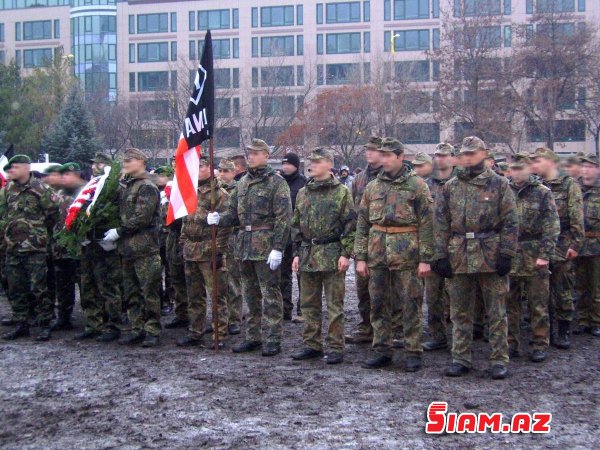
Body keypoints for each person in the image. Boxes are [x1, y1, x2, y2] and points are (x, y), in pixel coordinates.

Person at [433, 136, 518, 380]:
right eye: (465, 154)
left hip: (490, 253)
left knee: (496, 311)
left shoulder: (499, 184)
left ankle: (499, 359)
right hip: (459, 253)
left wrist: (507, 253)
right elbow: (440, 224)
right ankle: (461, 358)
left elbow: (511, 222)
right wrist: (440, 255)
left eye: (473, 153)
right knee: (460, 311)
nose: (468, 158)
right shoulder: (450, 186)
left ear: (484, 154)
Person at [354, 138, 433, 372]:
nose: (384, 159)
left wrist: (425, 258)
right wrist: (360, 256)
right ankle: (382, 348)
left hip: (407, 252)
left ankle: (412, 350)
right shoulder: (373, 187)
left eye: (389, 155)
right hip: (377, 251)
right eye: (383, 155)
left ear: (401, 157)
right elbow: (362, 222)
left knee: (410, 302)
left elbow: (428, 224)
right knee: (378, 302)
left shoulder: (417, 185)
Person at [207, 139, 292, 357]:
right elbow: (234, 214)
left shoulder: (276, 182)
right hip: (244, 246)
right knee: (250, 294)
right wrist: (219, 218)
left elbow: (284, 218)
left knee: (270, 294)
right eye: (250, 153)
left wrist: (278, 247)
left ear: (266, 155)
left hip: (265, 245)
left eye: (256, 153)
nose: (251, 157)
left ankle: (273, 337)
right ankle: (253, 336)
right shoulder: (242, 183)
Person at [290, 147, 356, 365]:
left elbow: (350, 224)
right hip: (308, 254)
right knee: (309, 304)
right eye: (311, 161)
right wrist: (297, 253)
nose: (312, 165)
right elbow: (296, 224)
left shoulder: (341, 192)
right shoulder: (303, 192)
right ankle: (312, 344)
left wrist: (346, 253)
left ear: (329, 164)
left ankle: (336, 346)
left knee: (334, 305)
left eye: (317, 162)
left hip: (332, 253)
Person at [102, 148, 162, 347]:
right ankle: (136, 328)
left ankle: (152, 329)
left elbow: (142, 217)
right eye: (124, 160)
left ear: (142, 162)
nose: (125, 163)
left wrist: (119, 231)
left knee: (149, 291)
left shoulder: (146, 186)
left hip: (145, 248)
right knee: (131, 292)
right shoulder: (126, 187)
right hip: (127, 249)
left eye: (130, 160)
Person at [506, 153, 559, 362]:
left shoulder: (542, 193)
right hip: (511, 253)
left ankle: (539, 343)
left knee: (538, 302)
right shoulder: (504, 191)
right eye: (513, 168)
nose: (516, 173)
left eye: (521, 168)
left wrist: (545, 255)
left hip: (534, 252)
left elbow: (552, 226)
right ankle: (511, 343)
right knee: (509, 302)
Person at [0, 155, 59, 341]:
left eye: (15, 167)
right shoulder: (8, 189)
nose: (11, 171)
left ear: (26, 168)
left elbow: (52, 215)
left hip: (35, 247)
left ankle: (44, 323)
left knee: (38, 287)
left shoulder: (40, 189)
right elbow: (3, 213)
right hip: (13, 246)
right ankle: (21, 322)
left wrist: (37, 232)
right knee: (15, 286)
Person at [530, 147, 584, 349]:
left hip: (562, 246)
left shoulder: (569, 185)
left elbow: (577, 218)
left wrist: (576, 244)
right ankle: (545, 332)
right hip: (540, 246)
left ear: (550, 162)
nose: (534, 164)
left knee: (563, 290)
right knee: (541, 293)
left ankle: (563, 331)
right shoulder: (537, 185)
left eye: (538, 160)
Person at [177, 156, 230, 347]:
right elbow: (186, 219)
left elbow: (225, 225)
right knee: (194, 295)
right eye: (196, 166)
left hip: (209, 249)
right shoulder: (190, 190)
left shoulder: (219, 194)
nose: (198, 169)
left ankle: (220, 334)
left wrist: (219, 250)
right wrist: (183, 241)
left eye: (202, 166)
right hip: (191, 249)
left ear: (210, 168)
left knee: (217, 295)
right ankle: (195, 332)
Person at [76, 152, 123, 342]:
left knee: (109, 286)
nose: (95, 166)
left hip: (107, 245)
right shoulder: (90, 187)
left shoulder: (116, 189)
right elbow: (80, 210)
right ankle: (93, 323)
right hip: (89, 244)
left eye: (100, 163)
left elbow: (122, 214)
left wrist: (117, 232)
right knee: (88, 286)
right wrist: (79, 233)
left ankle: (113, 325)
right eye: (94, 163)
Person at [346, 136, 382, 344]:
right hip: (363, 239)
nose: (369, 153)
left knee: (385, 289)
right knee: (362, 287)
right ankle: (366, 326)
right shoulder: (359, 179)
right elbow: (353, 212)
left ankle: (390, 329)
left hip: (384, 239)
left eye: (373, 150)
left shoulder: (388, 176)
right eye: (367, 150)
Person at [422, 143, 456, 352]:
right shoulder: (427, 185)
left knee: (458, 298)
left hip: (458, 249)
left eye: (444, 155)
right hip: (433, 249)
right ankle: (438, 336)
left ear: (453, 158)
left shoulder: (461, 183)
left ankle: (462, 339)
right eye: (436, 155)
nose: (439, 159)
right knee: (433, 296)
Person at [50, 162, 85, 331]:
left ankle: (93, 319)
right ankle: (64, 318)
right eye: (62, 175)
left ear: (76, 175)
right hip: (61, 249)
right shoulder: (58, 194)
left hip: (80, 249)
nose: (64, 178)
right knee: (63, 285)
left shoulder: (86, 193)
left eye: (67, 175)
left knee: (86, 285)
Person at [574, 154, 600, 337]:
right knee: (580, 286)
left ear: (597, 169)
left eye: (590, 167)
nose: (586, 170)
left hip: (597, 246)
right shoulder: (575, 189)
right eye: (584, 167)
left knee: (596, 287)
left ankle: (596, 320)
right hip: (578, 245)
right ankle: (583, 319)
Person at [280, 152, 307, 321]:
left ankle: (303, 309)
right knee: (283, 274)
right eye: (283, 164)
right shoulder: (278, 183)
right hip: (283, 234)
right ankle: (285, 308)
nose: (285, 167)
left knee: (301, 273)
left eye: (288, 164)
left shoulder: (304, 183)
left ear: (296, 165)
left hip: (298, 235)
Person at [217, 158, 242, 335]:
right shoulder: (214, 191)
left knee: (233, 281)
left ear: (234, 173)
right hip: (216, 238)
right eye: (220, 170)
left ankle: (234, 318)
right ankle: (220, 318)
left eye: (226, 171)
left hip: (232, 239)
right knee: (218, 281)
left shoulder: (238, 190)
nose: (222, 174)